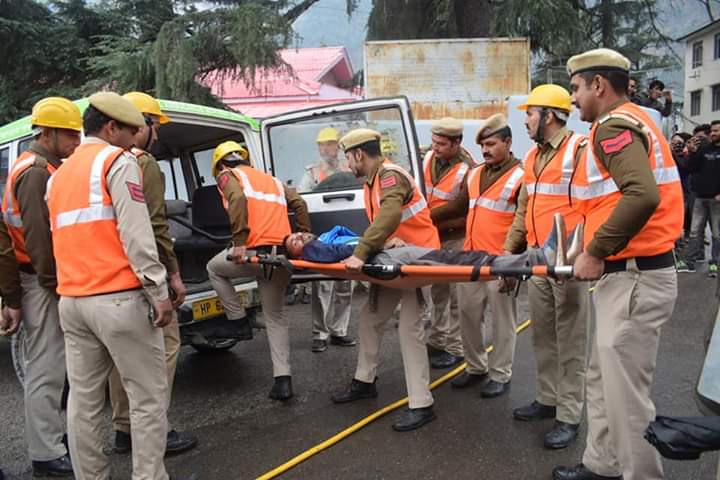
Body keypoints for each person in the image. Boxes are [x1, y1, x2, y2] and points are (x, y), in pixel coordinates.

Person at [47, 92, 195, 480]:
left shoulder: (58, 174)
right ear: (111, 127)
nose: (136, 140)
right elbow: (138, 235)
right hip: (118, 300)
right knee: (147, 398)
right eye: (132, 131)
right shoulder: (117, 162)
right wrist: (159, 292)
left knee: (84, 402)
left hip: (73, 302)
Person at [553, 47, 683, 480]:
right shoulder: (638, 120)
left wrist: (595, 251)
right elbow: (609, 201)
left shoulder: (613, 127)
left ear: (598, 85)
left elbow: (641, 195)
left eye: (575, 88)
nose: (572, 99)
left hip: (634, 276)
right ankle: (602, 464)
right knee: (602, 380)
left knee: (626, 397)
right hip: (626, 276)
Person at [103, 91, 197, 455]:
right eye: (155, 126)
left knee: (118, 359)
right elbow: (156, 226)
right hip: (143, 273)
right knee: (164, 348)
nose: (156, 135)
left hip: (110, 277)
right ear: (143, 125)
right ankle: (157, 430)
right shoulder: (143, 164)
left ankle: (124, 429)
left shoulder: (98, 163)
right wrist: (172, 276)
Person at [331, 128, 441, 432]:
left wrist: (362, 252)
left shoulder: (390, 176)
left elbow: (390, 214)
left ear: (358, 154)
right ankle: (364, 381)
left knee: (410, 330)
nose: (347, 165)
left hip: (419, 264)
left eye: (348, 158)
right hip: (395, 263)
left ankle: (422, 404)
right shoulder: (373, 180)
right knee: (370, 317)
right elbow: (389, 223)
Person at [505, 84, 591, 450]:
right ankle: (547, 398)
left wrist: (586, 251)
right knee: (543, 336)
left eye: (530, 113)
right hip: (539, 261)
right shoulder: (532, 158)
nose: (525, 120)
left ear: (550, 116)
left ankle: (569, 416)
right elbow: (524, 211)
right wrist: (511, 255)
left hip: (570, 264)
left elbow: (597, 204)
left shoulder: (580, 150)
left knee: (571, 341)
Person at [2, 96, 81, 477]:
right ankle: (45, 451)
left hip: (37, 278)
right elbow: (39, 239)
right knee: (47, 368)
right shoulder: (35, 172)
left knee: (51, 365)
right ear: (48, 132)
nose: (76, 142)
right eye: (69, 135)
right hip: (40, 279)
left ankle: (51, 439)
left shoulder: (38, 166)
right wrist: (56, 285)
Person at [206, 140, 311, 401]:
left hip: (253, 253)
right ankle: (282, 381)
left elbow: (237, 198)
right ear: (244, 158)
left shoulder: (227, 175)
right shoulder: (272, 180)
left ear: (220, 164)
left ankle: (238, 320)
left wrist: (240, 242)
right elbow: (299, 203)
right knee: (276, 317)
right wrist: (304, 234)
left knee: (214, 268)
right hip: (281, 256)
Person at [430, 114, 522, 398]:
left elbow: (524, 221)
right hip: (471, 260)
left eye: (492, 144)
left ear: (507, 142)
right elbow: (460, 207)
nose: (485, 150)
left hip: (501, 262)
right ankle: (475, 367)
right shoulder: (476, 173)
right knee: (469, 316)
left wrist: (513, 263)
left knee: (503, 322)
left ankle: (500, 374)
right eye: (482, 145)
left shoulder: (522, 176)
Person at [423, 117, 475, 369]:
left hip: (455, 237)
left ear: (456, 143)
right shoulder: (426, 158)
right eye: (434, 142)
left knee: (457, 296)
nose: (435, 148)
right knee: (438, 291)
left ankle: (456, 348)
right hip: (434, 237)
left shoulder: (469, 168)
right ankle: (437, 339)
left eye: (442, 144)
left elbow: (461, 204)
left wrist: (428, 217)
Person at [303, 127, 355, 353]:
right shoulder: (312, 172)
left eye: (331, 144)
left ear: (338, 146)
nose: (326, 148)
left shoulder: (350, 168)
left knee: (345, 286)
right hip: (324, 236)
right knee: (323, 285)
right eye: (322, 144)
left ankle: (339, 331)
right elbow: (302, 199)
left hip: (347, 235)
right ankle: (320, 333)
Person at [677, 120, 720, 276]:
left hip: (716, 200)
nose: (713, 133)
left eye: (717, 131)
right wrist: (692, 152)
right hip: (700, 197)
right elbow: (691, 168)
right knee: (695, 231)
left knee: (716, 233)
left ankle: (714, 264)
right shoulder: (703, 148)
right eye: (712, 131)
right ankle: (690, 262)